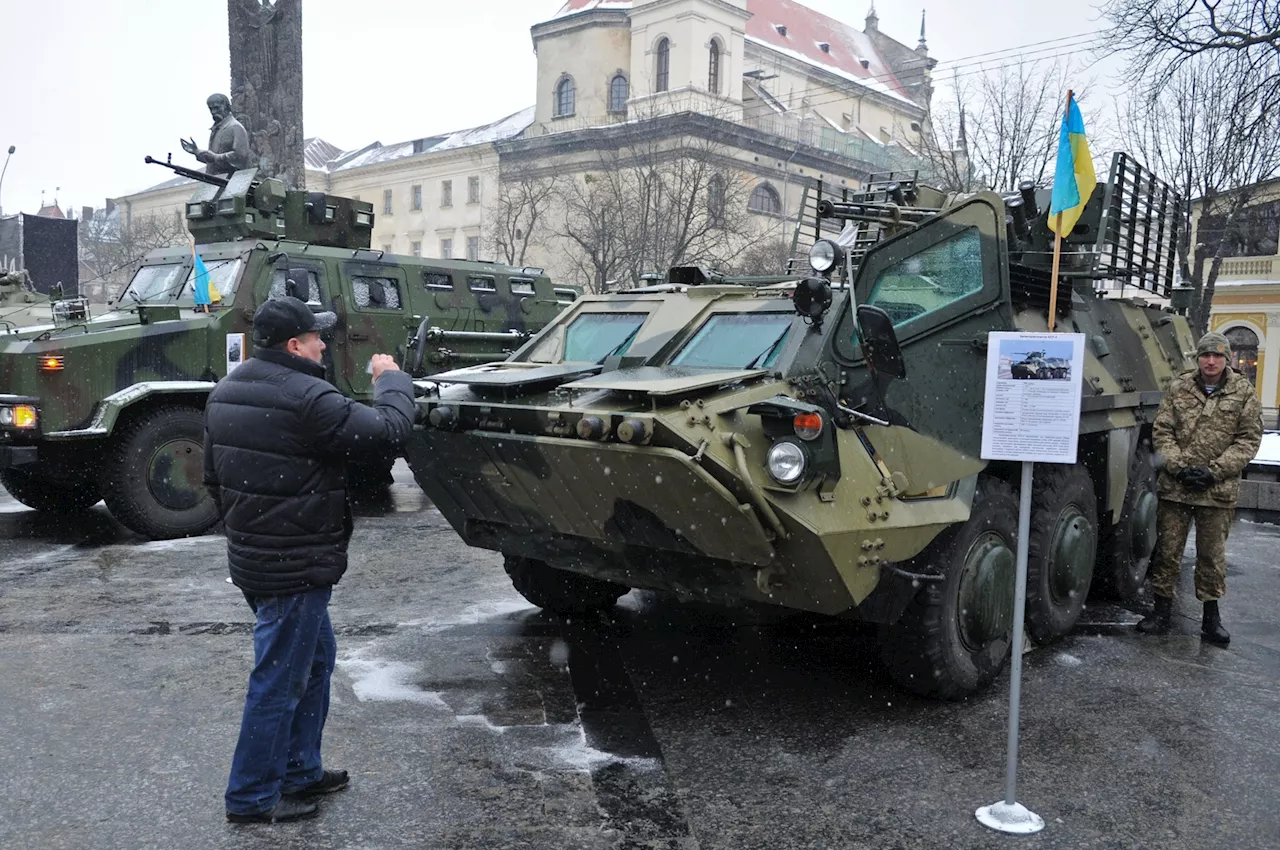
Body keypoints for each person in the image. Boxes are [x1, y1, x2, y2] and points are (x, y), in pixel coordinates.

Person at [204, 296, 414, 823]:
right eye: (317, 337)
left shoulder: (225, 392)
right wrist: (390, 380)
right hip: (293, 566)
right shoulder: (307, 395)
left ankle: (300, 770)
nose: (324, 344)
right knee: (279, 679)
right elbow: (388, 432)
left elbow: (214, 479)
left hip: (258, 560)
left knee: (314, 662)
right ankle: (251, 798)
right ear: (294, 345)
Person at [1138, 331, 1262, 644]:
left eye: (1217, 356)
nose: (1211, 361)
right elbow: (1162, 431)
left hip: (1216, 491)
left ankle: (1211, 618)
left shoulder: (1243, 391)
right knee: (1167, 552)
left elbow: (1248, 440)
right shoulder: (1179, 385)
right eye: (1206, 355)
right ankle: (1161, 611)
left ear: (1228, 359)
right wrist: (1178, 467)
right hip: (1176, 487)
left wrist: (1213, 472)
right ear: (1198, 358)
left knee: (1212, 557)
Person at [181, 93, 253, 176]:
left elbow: (241, 156)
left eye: (216, 108)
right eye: (210, 109)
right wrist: (196, 151)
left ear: (227, 106)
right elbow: (212, 161)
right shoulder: (216, 129)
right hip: (213, 180)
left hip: (230, 181)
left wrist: (216, 157)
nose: (213, 112)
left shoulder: (235, 127)